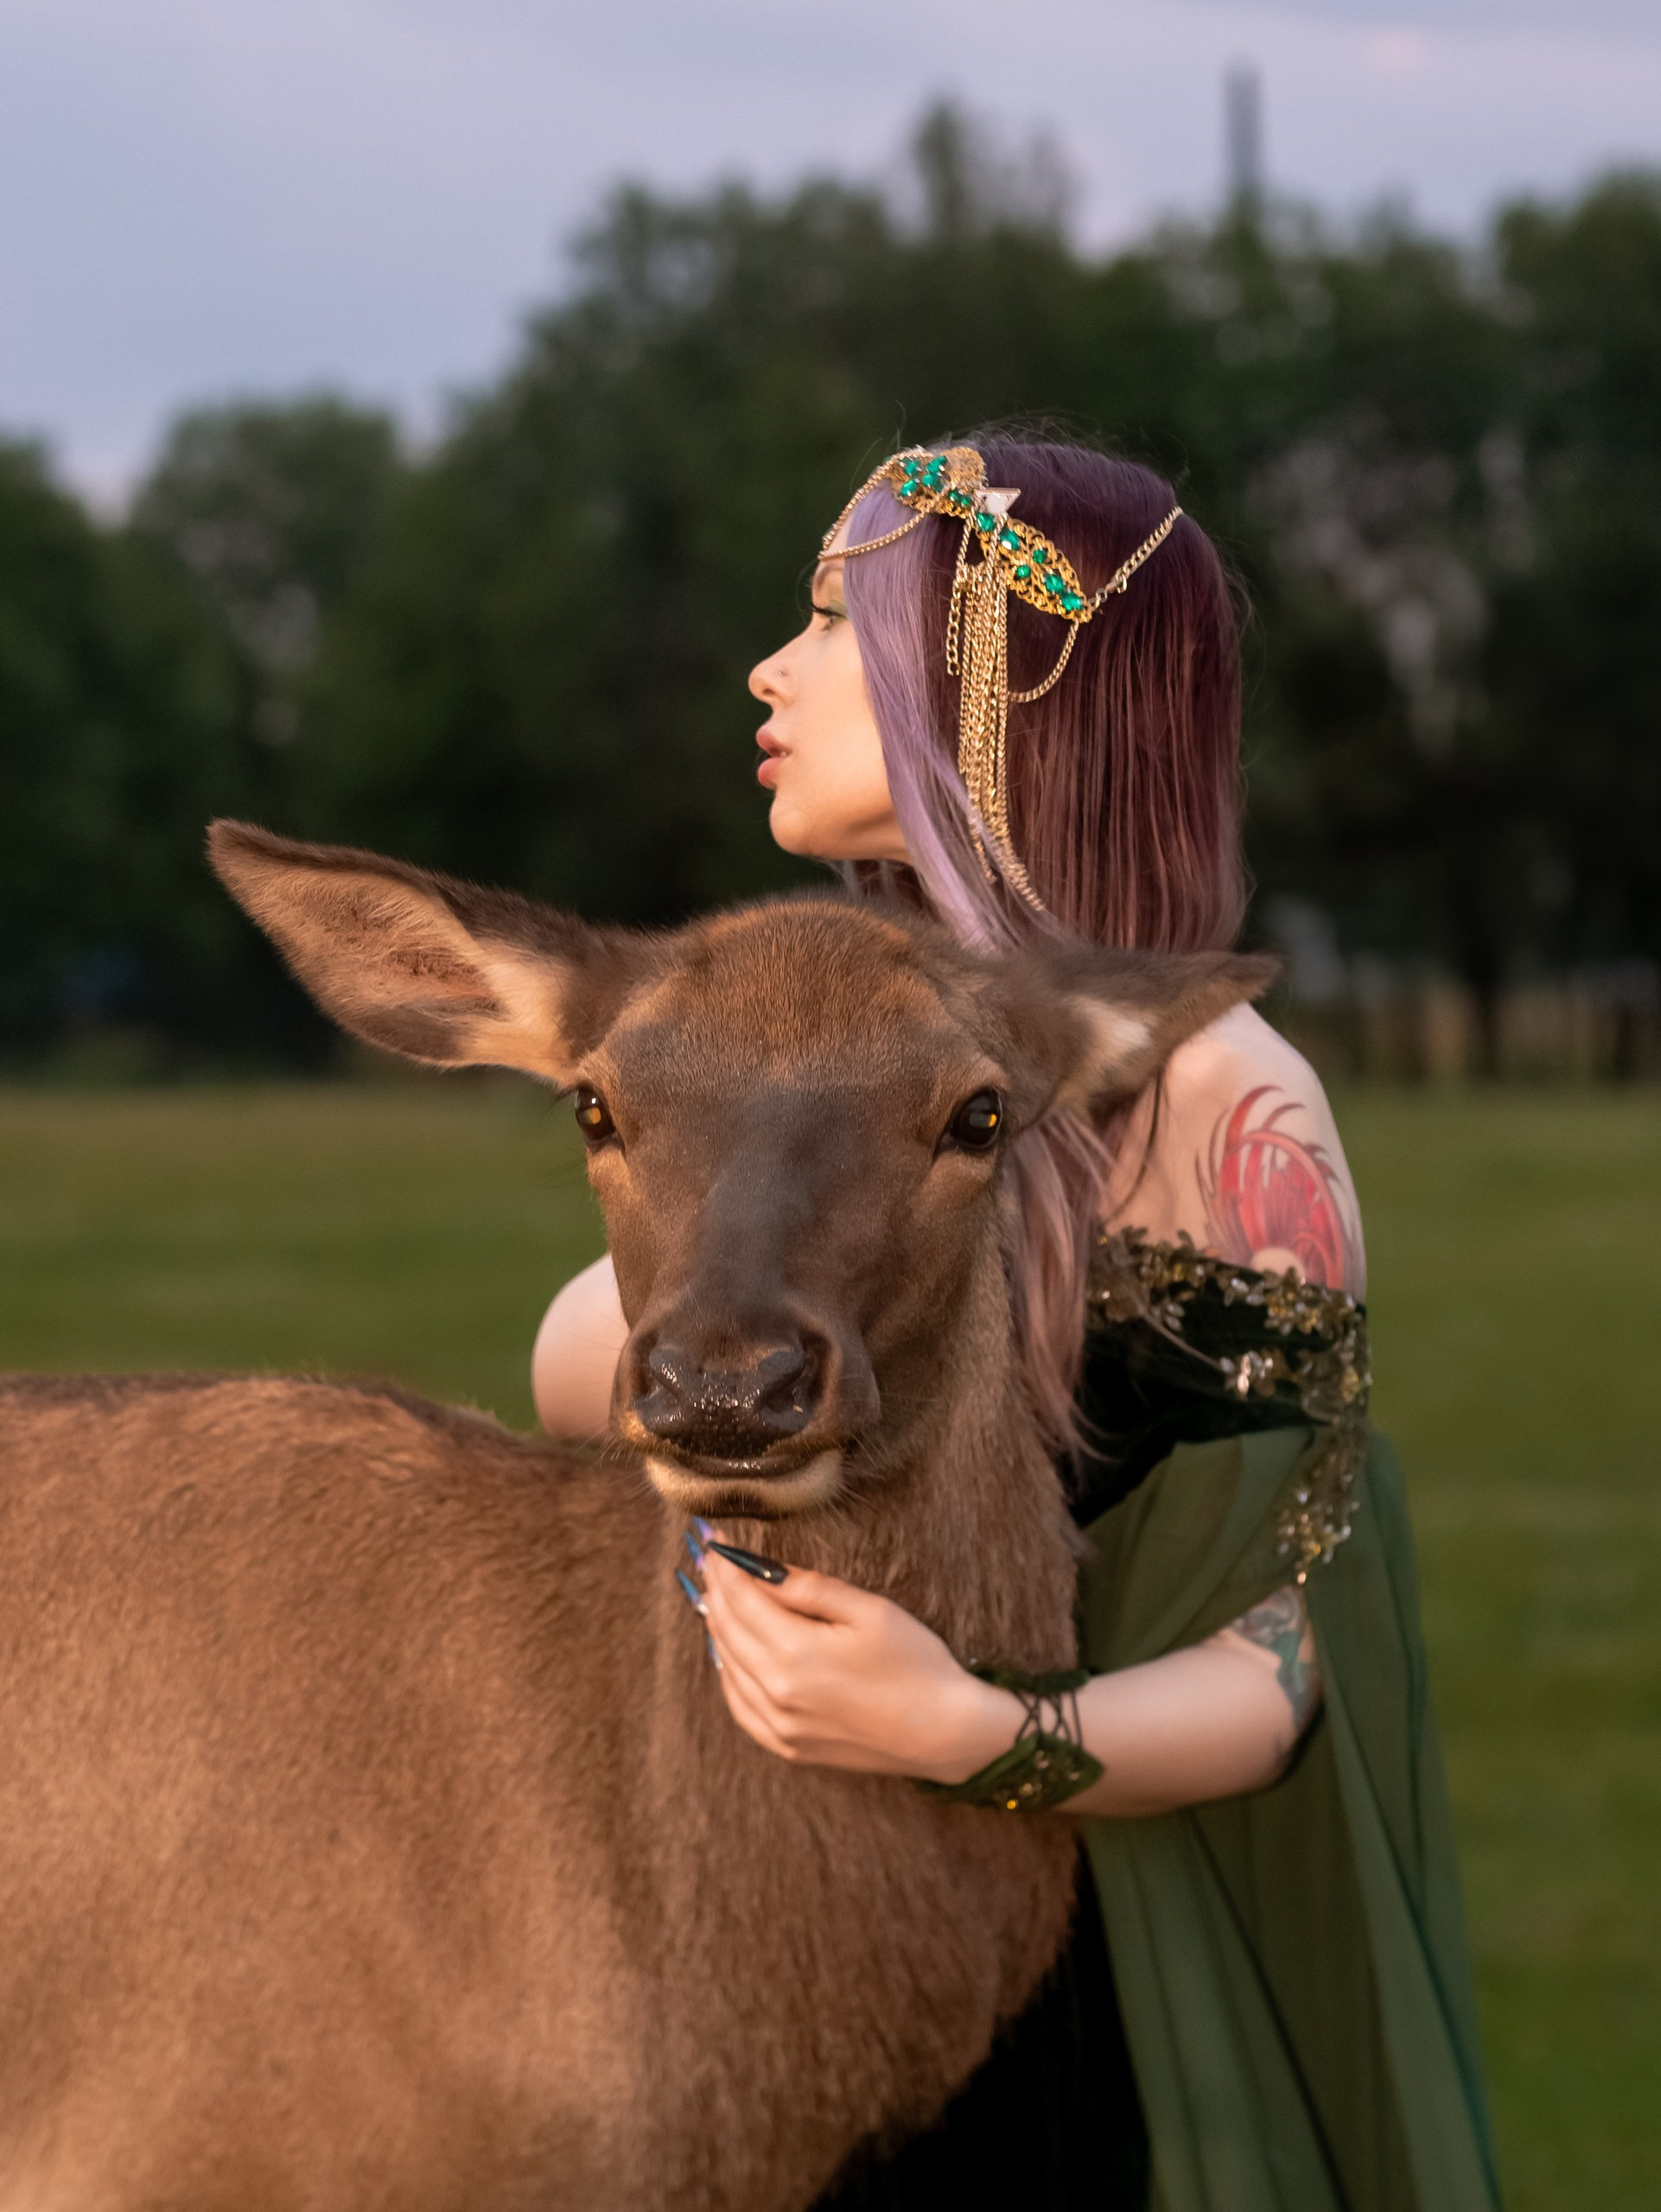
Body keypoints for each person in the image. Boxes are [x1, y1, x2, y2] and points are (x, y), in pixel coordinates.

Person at [532, 437, 1500, 2210]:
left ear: (992, 686)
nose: (768, 668)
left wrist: (964, 1727)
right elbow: (580, 1368)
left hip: (1099, 2004)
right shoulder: (822, 1063)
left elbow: (1292, 1660)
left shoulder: (1216, 1097)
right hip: (800, 1936)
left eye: (833, 619)